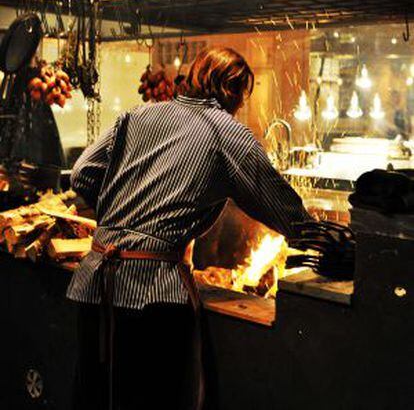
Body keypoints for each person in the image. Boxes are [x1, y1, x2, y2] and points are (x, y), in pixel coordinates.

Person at [68, 47, 312, 410]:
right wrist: (326, 241)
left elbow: (81, 173)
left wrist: (120, 220)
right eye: (241, 98)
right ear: (234, 92)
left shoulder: (138, 115)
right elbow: (283, 209)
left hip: (95, 282)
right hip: (152, 295)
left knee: (95, 398)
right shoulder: (228, 134)